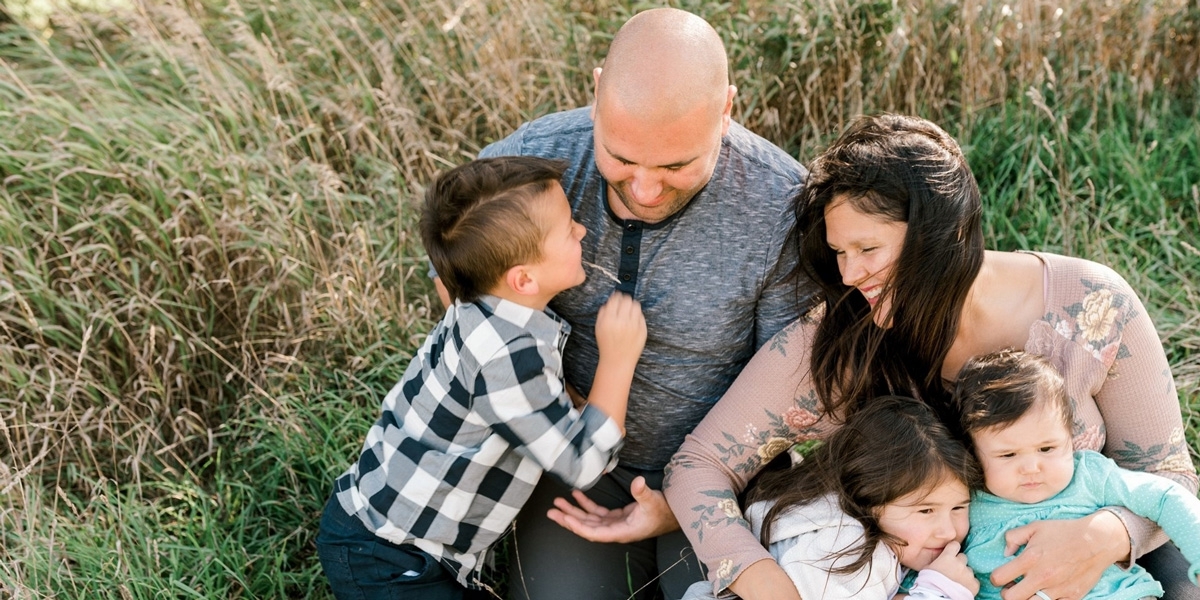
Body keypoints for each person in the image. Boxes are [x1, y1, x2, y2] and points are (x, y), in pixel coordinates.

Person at [662, 114, 1199, 600]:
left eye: (868, 250)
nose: (849, 275)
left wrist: (1103, 537)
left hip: (1115, 571)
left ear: (942, 235)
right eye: (840, 253)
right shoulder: (841, 341)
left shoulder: (1091, 303)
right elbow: (698, 466)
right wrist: (759, 579)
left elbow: (1167, 473)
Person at [436, 8, 811, 599]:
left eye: (676, 165)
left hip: (723, 477)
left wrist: (688, 498)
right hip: (572, 473)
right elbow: (455, 273)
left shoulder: (783, 205)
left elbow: (790, 381)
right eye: (622, 158)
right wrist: (548, 405)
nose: (644, 189)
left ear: (726, 111)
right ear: (595, 94)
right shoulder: (533, 162)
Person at [315, 156, 647, 599]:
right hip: (391, 558)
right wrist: (618, 359)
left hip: (386, 535)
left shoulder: (483, 310)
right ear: (524, 278)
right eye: (569, 229)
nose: (582, 231)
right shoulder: (507, 356)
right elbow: (582, 463)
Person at [681, 395, 982, 600]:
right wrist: (939, 590)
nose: (949, 530)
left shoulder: (827, 515)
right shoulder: (844, 547)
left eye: (959, 507)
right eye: (926, 511)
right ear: (869, 496)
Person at [954, 350, 1200, 600]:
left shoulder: (1089, 476)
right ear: (973, 454)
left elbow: (1164, 496)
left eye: (1047, 448)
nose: (1031, 467)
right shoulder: (966, 503)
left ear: (1069, 439)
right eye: (1008, 455)